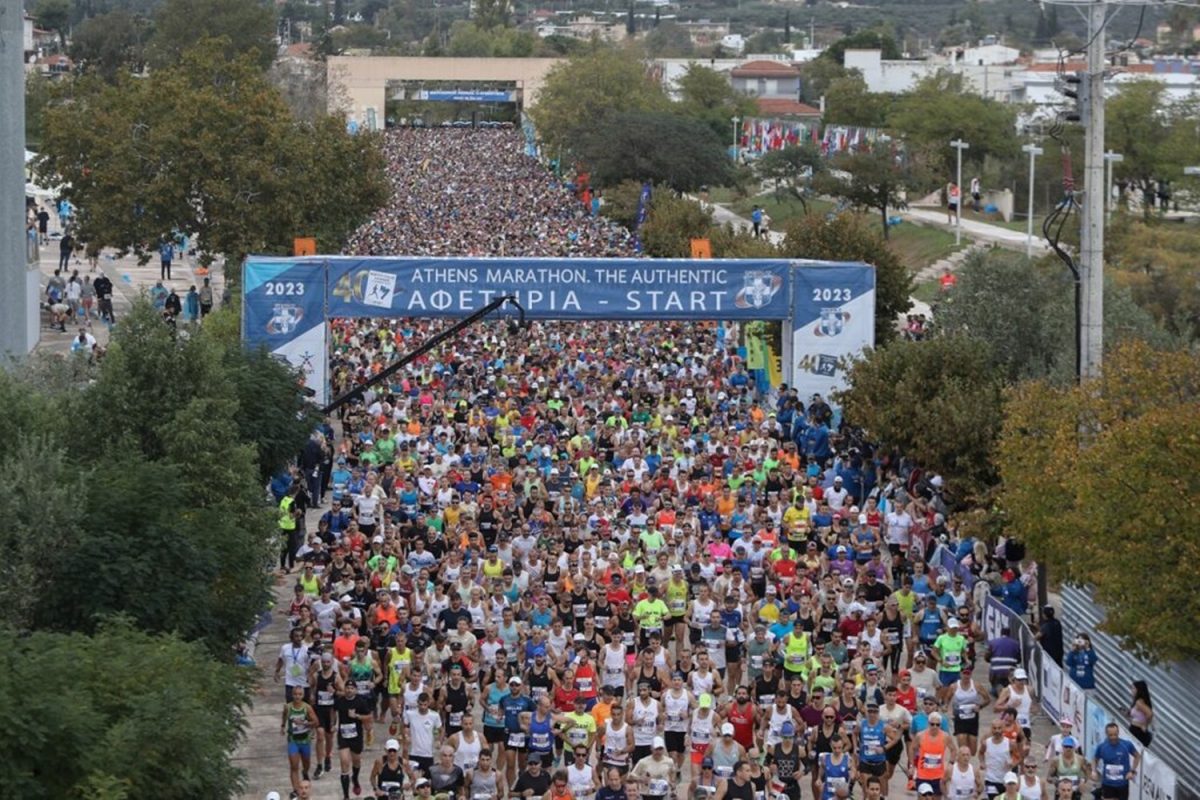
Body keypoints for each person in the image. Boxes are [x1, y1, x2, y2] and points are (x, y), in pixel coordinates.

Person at [335, 679, 373, 799]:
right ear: (344, 689)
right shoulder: (340, 701)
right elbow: (333, 711)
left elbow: (369, 717)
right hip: (343, 736)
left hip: (356, 736)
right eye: (347, 688)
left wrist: (357, 716)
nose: (349, 690)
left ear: (355, 690)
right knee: (344, 762)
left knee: (356, 761)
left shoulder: (360, 702)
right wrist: (333, 724)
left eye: (352, 688)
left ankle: (355, 778)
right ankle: (346, 795)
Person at [282, 685, 320, 798]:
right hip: (293, 739)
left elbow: (316, 722)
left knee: (306, 763)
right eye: (295, 694)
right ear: (292, 695)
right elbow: (284, 716)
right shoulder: (288, 707)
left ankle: (305, 772)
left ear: (303, 695)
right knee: (294, 766)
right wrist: (282, 726)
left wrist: (304, 723)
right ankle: (295, 790)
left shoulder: (307, 708)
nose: (297, 696)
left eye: (300, 694)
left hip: (305, 740)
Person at [1091, 724, 1139, 800]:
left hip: (1122, 784)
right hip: (1108, 783)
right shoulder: (1102, 747)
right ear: (1106, 734)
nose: (1113, 737)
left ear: (1118, 733)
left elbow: (1137, 756)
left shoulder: (1126, 745)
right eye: (1111, 735)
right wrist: (1093, 771)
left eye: (1115, 734)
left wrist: (1132, 771)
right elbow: (1095, 759)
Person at [1127, 681, 1153, 747]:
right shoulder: (1139, 701)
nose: (1131, 690)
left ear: (1138, 690)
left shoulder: (1139, 702)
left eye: (1133, 688)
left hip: (1137, 731)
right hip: (1135, 729)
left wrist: (1144, 725)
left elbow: (1150, 713)